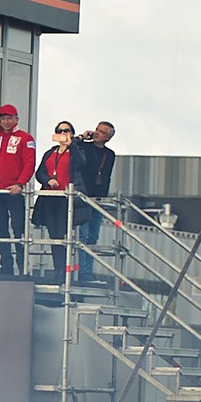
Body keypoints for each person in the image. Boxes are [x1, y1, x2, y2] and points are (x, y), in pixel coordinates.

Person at [0, 105, 38, 278]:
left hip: (14, 192)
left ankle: (22, 265)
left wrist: (20, 183)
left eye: (9, 118)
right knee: (0, 228)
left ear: (16, 119)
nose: (6, 121)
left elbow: (30, 163)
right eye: (3, 118)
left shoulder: (25, 138)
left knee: (18, 228)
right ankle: (6, 265)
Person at [69, 119, 118, 285]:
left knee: (92, 236)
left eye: (102, 132)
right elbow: (71, 146)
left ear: (108, 138)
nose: (97, 133)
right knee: (82, 235)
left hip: (98, 199)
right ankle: (82, 271)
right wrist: (82, 137)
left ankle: (88, 270)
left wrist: (104, 197)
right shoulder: (85, 147)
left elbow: (107, 176)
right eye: (97, 129)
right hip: (84, 197)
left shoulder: (109, 154)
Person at [32, 120, 78, 288]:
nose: (63, 133)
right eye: (60, 130)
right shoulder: (51, 152)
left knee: (64, 236)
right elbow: (39, 172)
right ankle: (58, 270)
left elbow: (82, 164)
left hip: (66, 199)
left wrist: (72, 145)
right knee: (54, 236)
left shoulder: (75, 152)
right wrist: (48, 180)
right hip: (50, 197)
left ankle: (66, 271)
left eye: (67, 130)